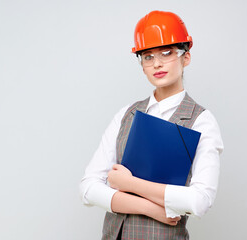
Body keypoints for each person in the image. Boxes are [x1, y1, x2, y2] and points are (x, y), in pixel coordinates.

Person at [79, 10, 224, 240]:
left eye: (166, 53)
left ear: (185, 57)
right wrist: (151, 209)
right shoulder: (126, 115)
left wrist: (129, 183)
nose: (157, 63)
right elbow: (88, 189)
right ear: (142, 63)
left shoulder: (201, 121)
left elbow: (200, 201)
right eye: (147, 56)